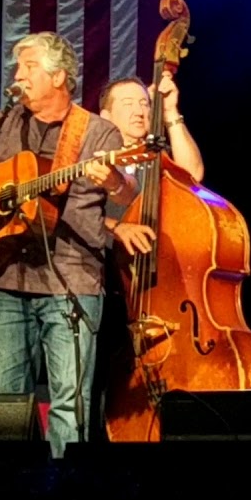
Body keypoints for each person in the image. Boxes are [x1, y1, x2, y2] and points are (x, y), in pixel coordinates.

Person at [0, 31, 137, 459]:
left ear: (58, 77)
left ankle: (65, 493)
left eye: (28, 68)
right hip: (8, 277)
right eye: (18, 68)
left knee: (68, 403)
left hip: (71, 280)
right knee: (7, 403)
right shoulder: (0, 124)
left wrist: (112, 179)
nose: (17, 77)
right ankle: (16, 493)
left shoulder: (97, 132)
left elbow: (125, 192)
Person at [90, 72, 200, 438]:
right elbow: (76, 214)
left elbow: (194, 176)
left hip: (157, 291)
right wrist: (115, 228)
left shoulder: (157, 159)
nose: (140, 110)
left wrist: (171, 113)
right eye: (128, 103)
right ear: (105, 115)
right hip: (106, 280)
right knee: (99, 375)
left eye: (143, 102)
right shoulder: (95, 161)